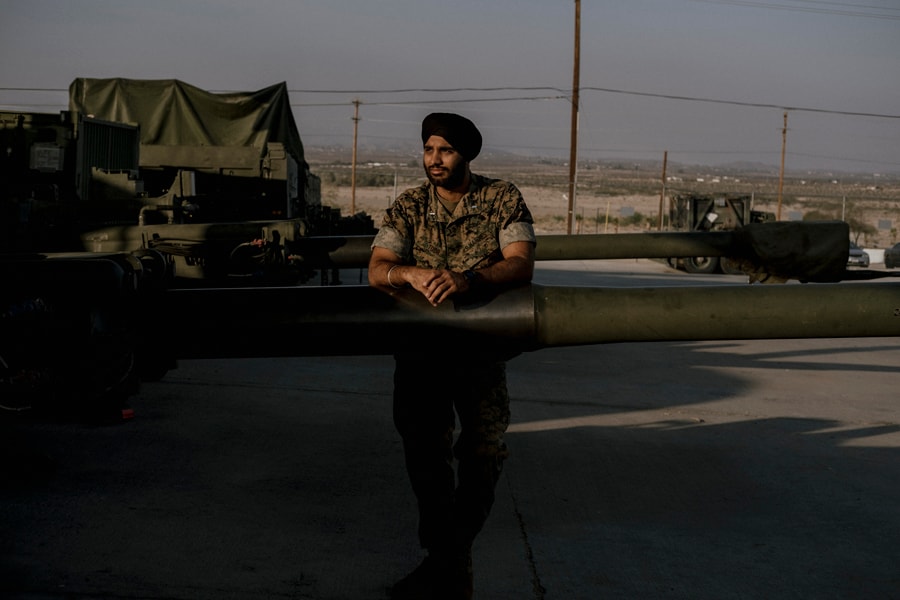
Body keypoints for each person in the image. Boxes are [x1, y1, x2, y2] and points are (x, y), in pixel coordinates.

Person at [368, 112, 536, 600]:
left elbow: (521, 262)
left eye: (444, 150)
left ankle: (447, 561)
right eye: (428, 150)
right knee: (425, 456)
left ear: (466, 154)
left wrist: (470, 279)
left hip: (480, 353)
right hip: (421, 355)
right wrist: (410, 274)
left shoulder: (501, 197)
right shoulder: (411, 205)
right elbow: (379, 268)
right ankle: (448, 564)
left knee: (484, 453)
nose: (433, 160)